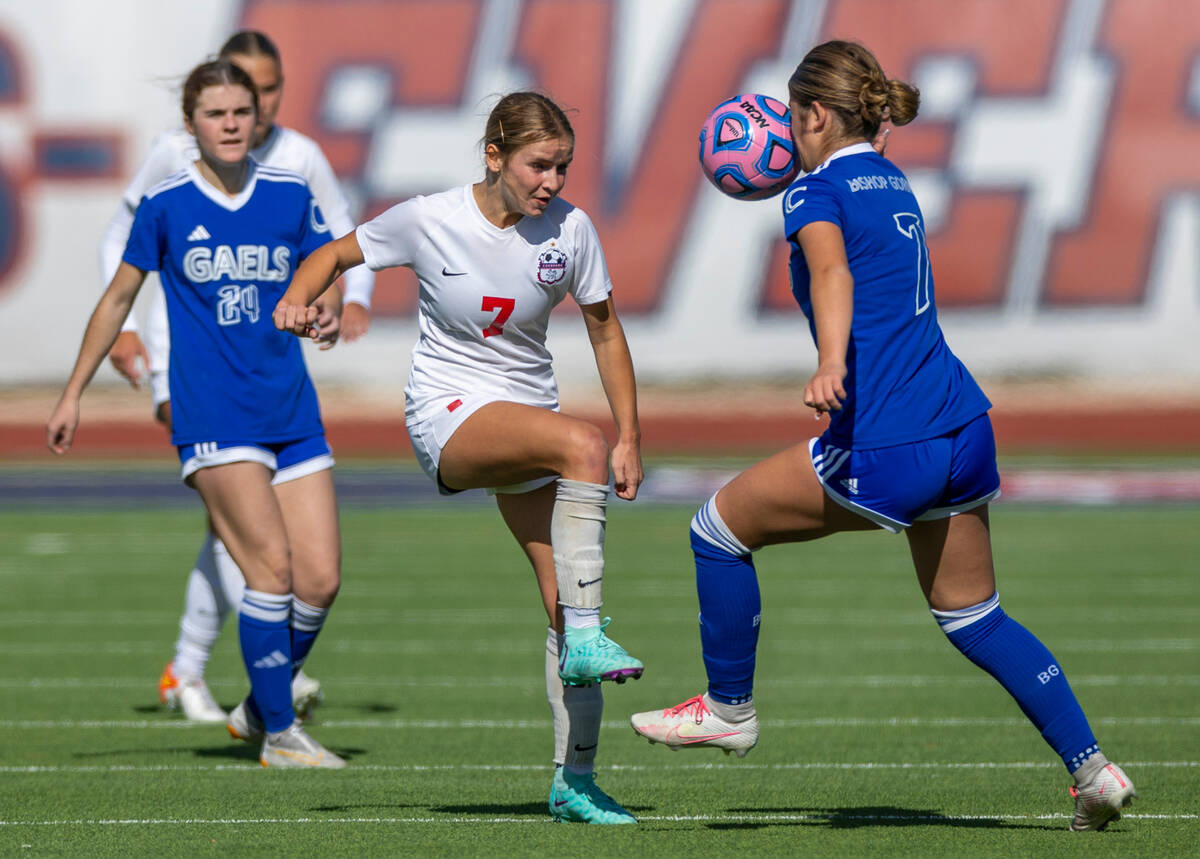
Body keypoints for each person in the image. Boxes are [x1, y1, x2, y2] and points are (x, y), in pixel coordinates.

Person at [629, 40, 1137, 832]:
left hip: (888, 439)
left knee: (716, 528)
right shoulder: (893, 178)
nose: (787, 135)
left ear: (816, 115)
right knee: (974, 615)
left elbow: (833, 274)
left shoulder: (809, 194)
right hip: (962, 424)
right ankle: (1094, 769)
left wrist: (830, 360)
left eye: (794, 118)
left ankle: (729, 707)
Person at [274, 91, 645, 822]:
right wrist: (297, 299)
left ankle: (575, 781)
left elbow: (604, 329)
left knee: (564, 600)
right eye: (540, 164)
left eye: (563, 167)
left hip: (523, 418)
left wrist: (633, 434)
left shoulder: (571, 230)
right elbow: (333, 253)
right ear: (494, 154)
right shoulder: (430, 218)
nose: (553, 182)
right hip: (446, 416)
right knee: (582, 445)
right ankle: (590, 636)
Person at [49, 59, 346, 768]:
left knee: (321, 579)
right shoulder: (166, 206)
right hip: (214, 413)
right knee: (269, 569)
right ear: (191, 125)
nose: (232, 124)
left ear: (258, 117)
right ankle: (278, 733)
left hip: (291, 407)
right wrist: (72, 391)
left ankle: (258, 704)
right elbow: (118, 299)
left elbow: (324, 275)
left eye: (241, 111)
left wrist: (326, 316)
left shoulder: (289, 194)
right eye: (215, 114)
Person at [98, 31, 375, 723]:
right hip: (186, 359)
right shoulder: (178, 154)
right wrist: (126, 328)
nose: (253, 107)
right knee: (245, 531)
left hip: (265, 366)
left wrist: (345, 302)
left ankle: (196, 666)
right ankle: (263, 680)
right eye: (241, 92)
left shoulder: (300, 158)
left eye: (269, 90)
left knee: (238, 526)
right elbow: (121, 236)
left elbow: (344, 242)